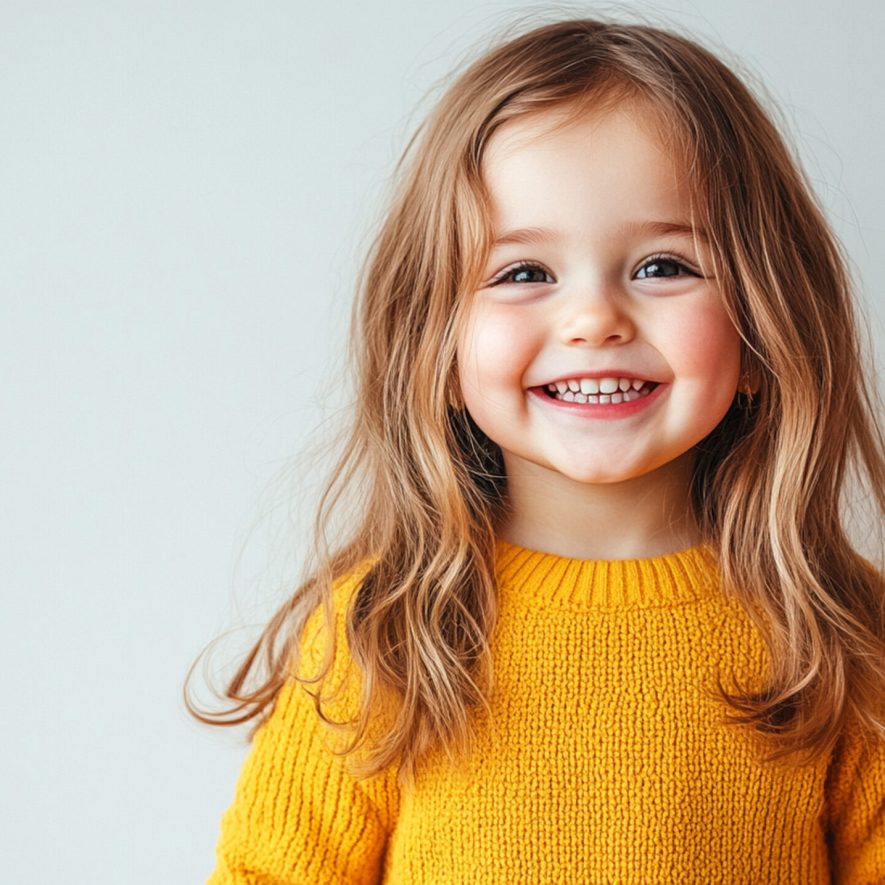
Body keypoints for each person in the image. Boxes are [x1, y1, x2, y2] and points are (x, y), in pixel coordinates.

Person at [188, 14, 885, 883]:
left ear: (763, 326)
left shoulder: (842, 635)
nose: (594, 319)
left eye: (663, 265)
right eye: (524, 274)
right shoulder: (382, 636)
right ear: (434, 350)